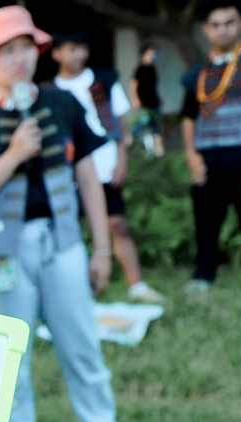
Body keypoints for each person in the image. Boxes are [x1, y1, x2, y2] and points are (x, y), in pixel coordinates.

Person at [0, 6, 152, 422]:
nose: (19, 59)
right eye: (7, 51)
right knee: (10, 352)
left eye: (25, 47)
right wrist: (15, 154)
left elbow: (87, 177)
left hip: (62, 242)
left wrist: (100, 250)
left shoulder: (62, 103)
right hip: (1, 252)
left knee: (81, 341)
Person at [50, 31, 165, 304]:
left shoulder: (104, 80)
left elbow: (120, 124)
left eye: (82, 48)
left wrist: (120, 161)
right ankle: (71, 292)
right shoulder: (51, 92)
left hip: (104, 168)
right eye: (70, 48)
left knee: (118, 224)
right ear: (56, 53)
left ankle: (137, 285)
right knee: (69, 232)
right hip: (71, 174)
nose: (77, 54)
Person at [181, 0, 241, 295]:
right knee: (206, 218)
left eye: (229, 22)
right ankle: (203, 276)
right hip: (208, 154)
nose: (222, 30)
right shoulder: (197, 72)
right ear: (206, 29)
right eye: (215, 25)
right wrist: (192, 154)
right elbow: (188, 116)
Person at [130, 44, 165, 157]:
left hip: (153, 103)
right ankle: (129, 144)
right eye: (151, 53)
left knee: (156, 127)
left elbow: (153, 86)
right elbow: (133, 85)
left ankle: (159, 153)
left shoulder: (153, 68)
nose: (153, 56)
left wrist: (158, 98)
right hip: (144, 105)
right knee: (140, 124)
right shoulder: (140, 68)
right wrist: (136, 99)